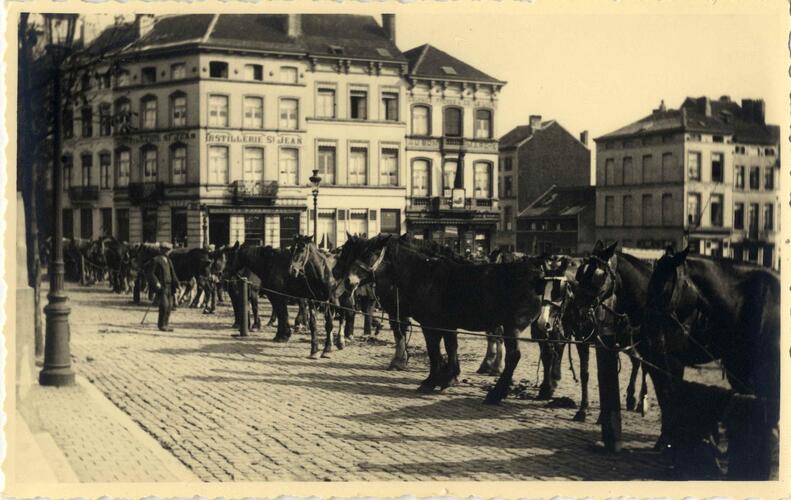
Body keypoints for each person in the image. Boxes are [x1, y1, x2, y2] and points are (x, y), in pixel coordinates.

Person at [149, 242, 180, 332]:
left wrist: (177, 284)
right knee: (164, 305)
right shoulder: (156, 260)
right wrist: (156, 283)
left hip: (170, 287)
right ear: (161, 250)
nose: (167, 252)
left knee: (170, 306)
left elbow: (172, 273)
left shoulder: (169, 261)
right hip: (162, 286)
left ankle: (166, 324)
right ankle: (161, 325)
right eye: (165, 250)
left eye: (168, 250)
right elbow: (151, 274)